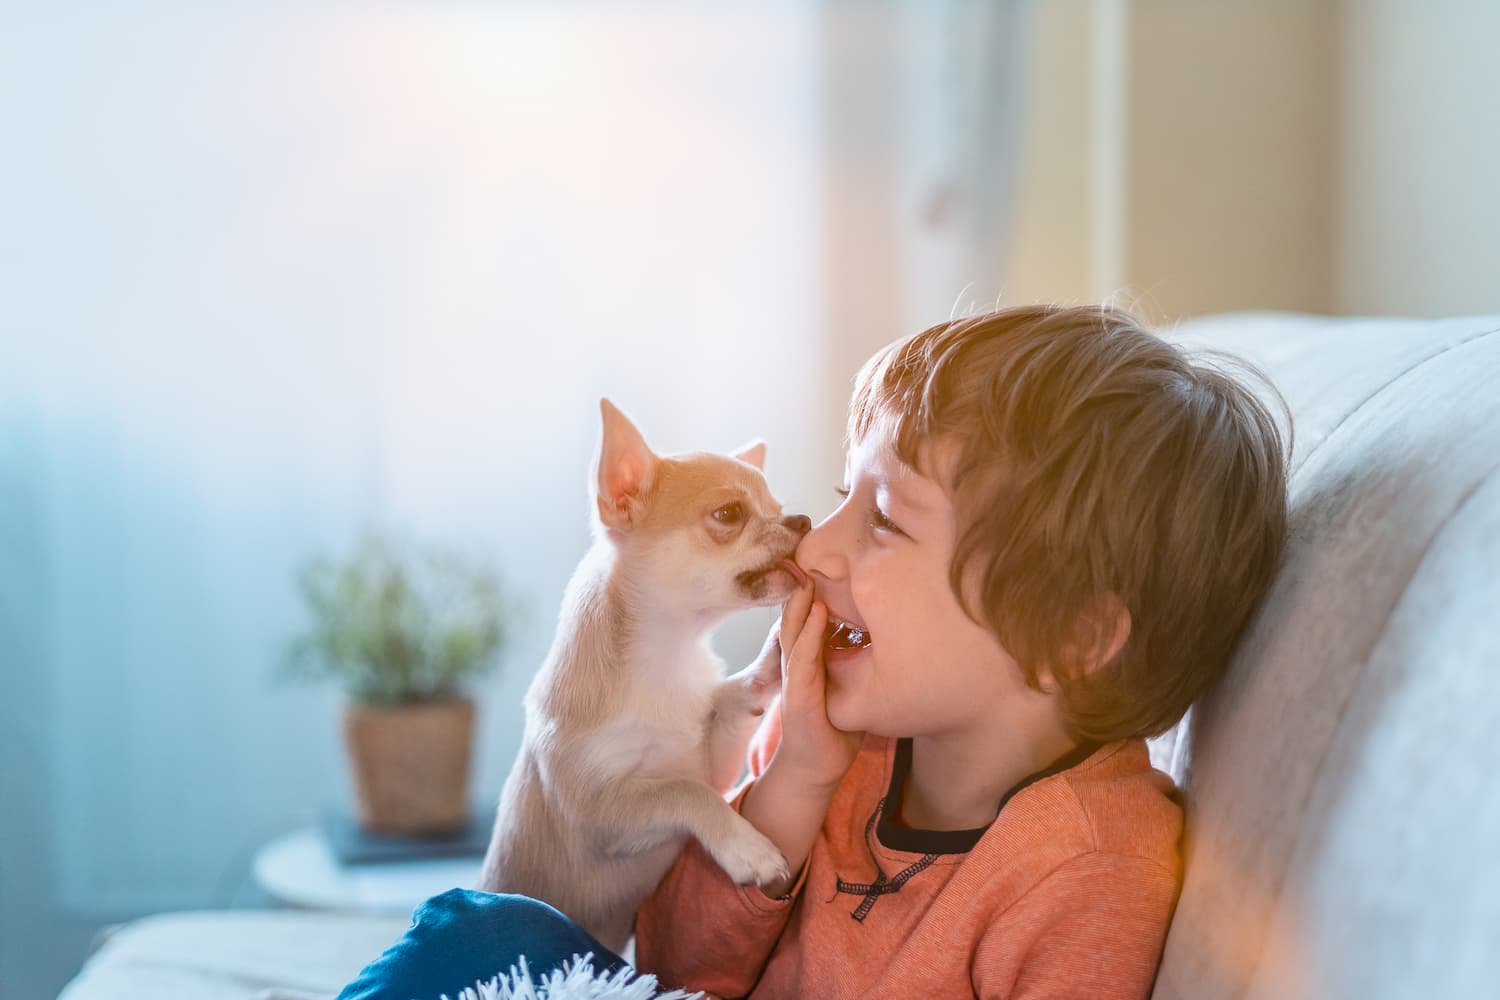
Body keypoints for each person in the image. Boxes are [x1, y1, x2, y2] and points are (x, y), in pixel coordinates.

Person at [336, 303, 1291, 999]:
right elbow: (670, 967)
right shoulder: (838, 737)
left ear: (1074, 638)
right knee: (481, 931)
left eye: (883, 522)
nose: (816, 546)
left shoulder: (1087, 871)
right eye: (840, 497)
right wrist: (790, 786)